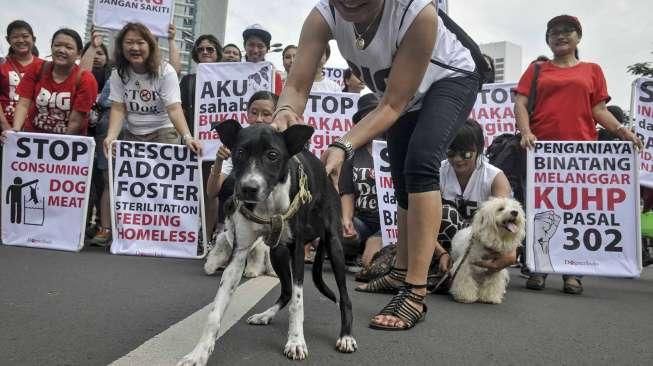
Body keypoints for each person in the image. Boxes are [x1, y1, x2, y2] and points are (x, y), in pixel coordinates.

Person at [273, 0, 485, 330]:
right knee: (400, 176)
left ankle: (415, 289)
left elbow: (391, 104)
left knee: (420, 163)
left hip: (451, 77)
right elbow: (298, 86)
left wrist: (342, 145)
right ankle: (400, 268)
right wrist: (285, 109)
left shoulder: (417, 13)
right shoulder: (322, 15)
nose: (350, 4)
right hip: (400, 93)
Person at [514, 15, 643, 295]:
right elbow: (520, 104)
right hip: (542, 152)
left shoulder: (592, 70)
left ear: (578, 37)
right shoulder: (536, 70)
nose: (560, 36)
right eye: (554, 32)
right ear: (547, 39)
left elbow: (598, 110)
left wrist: (624, 132)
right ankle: (538, 267)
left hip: (581, 153)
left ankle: (573, 273)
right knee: (541, 210)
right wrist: (525, 131)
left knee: (576, 212)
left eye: (567, 31)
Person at [103, 22, 201, 156]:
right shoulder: (118, 74)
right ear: (121, 46)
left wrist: (187, 137)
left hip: (163, 134)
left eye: (140, 42)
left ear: (150, 46)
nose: (134, 47)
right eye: (129, 42)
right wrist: (111, 136)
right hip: (132, 135)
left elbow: (174, 108)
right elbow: (118, 108)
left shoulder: (166, 71)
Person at [205, 91, 278, 231]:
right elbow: (211, 192)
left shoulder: (283, 146)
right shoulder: (238, 143)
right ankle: (211, 238)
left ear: (276, 116)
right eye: (254, 112)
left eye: (266, 114)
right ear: (247, 114)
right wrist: (219, 161)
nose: (259, 119)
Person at [5, 28, 97, 136]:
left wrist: (60, 145)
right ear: (52, 47)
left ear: (79, 54)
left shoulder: (86, 79)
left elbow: (76, 121)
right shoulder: (36, 68)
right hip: (33, 137)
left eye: (69, 47)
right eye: (57, 45)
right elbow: (23, 104)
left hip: (69, 140)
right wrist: (16, 130)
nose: (62, 50)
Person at [179, 34, 223, 247]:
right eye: (201, 50)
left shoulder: (226, 79)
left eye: (210, 49)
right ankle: (186, 232)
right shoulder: (187, 81)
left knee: (210, 191)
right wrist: (186, 137)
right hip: (191, 143)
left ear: (218, 54)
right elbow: (179, 112)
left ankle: (205, 236)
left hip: (215, 146)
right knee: (188, 191)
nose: (205, 52)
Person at [339, 94, 383, 268]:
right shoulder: (353, 153)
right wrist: (346, 220)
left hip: (392, 224)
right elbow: (347, 191)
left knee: (370, 263)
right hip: (362, 220)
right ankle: (357, 248)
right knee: (337, 234)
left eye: (375, 115)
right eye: (365, 118)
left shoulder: (398, 150)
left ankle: (373, 246)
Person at [1, 20, 44, 131]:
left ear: (33, 39)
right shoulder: (2, 65)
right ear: (8, 40)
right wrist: (5, 126)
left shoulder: (45, 67)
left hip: (35, 131)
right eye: (15, 37)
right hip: (5, 129)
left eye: (25, 36)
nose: (21, 40)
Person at [242, 24, 283, 95]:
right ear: (244, 46)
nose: (255, 50)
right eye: (251, 45)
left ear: (267, 49)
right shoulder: (232, 73)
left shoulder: (274, 77)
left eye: (260, 46)